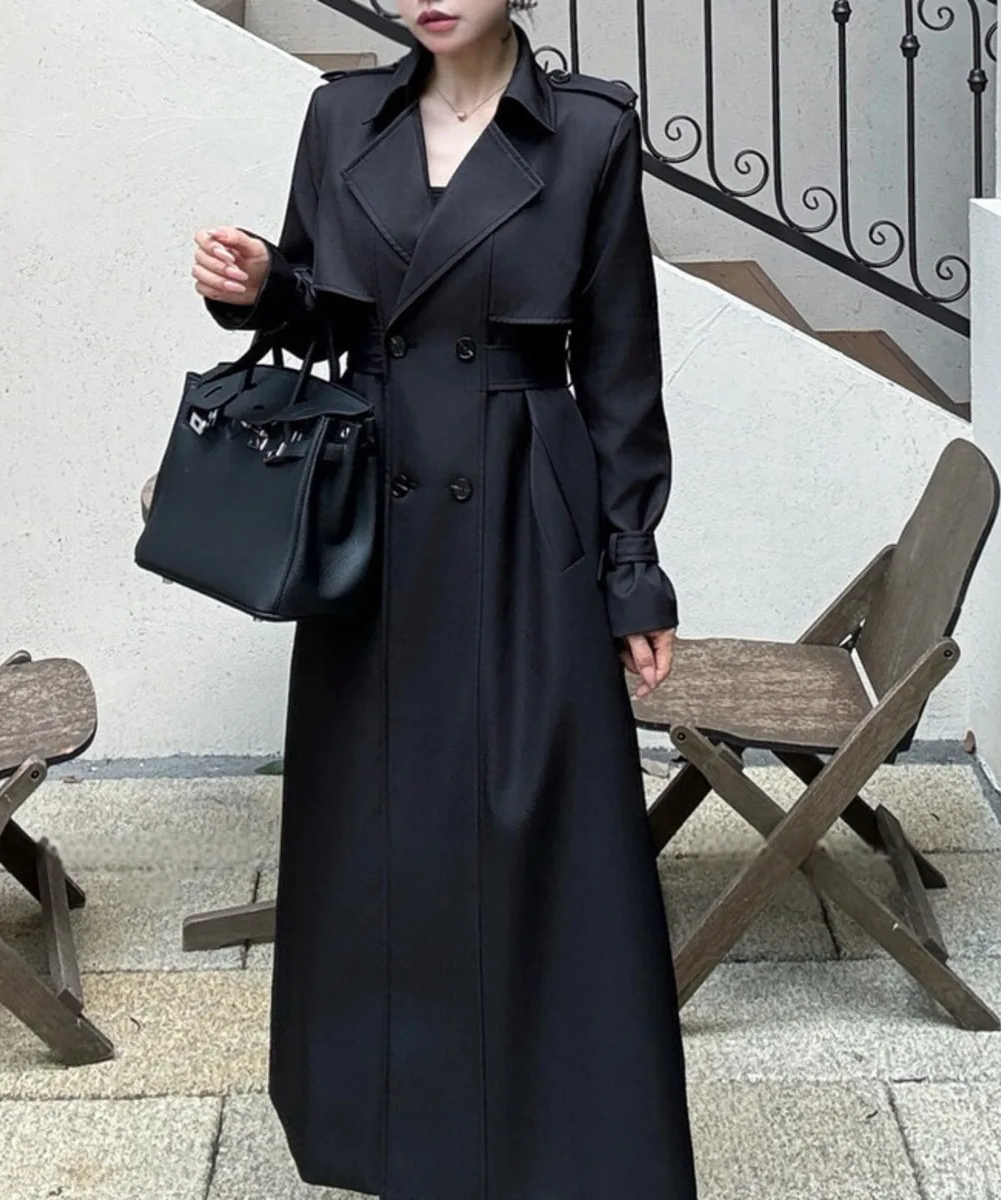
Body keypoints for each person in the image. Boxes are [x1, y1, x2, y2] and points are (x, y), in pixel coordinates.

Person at [192, 0, 698, 1195]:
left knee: (542, 822)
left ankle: (560, 1141)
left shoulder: (588, 133)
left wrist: (633, 566)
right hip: (375, 524)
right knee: (376, 828)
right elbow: (327, 314)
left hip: (525, 516)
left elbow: (619, 366)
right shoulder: (340, 118)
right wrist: (261, 284)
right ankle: (387, 1134)